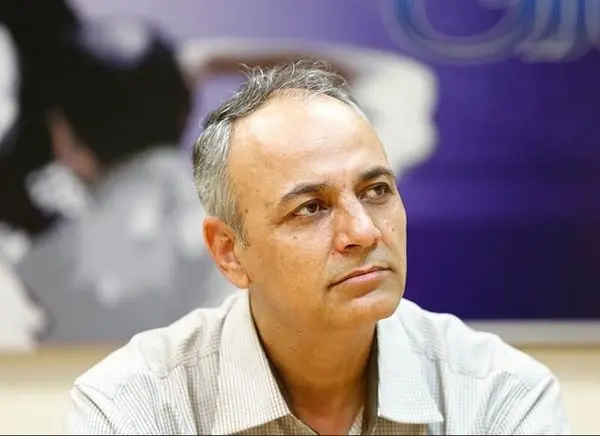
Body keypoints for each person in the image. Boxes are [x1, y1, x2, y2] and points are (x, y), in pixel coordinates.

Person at [67, 61, 568, 435]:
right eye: (310, 208)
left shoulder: (497, 394)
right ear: (229, 252)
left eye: (377, 191)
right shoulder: (134, 405)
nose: (364, 232)